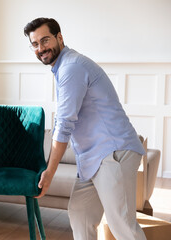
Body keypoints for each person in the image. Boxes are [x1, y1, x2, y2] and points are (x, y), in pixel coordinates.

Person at [24, 17, 147, 240]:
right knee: (80, 214)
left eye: (45, 40)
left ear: (59, 37)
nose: (41, 48)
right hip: (91, 158)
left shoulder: (72, 67)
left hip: (113, 153)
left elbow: (64, 124)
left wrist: (49, 172)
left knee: (123, 226)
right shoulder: (63, 67)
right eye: (35, 44)